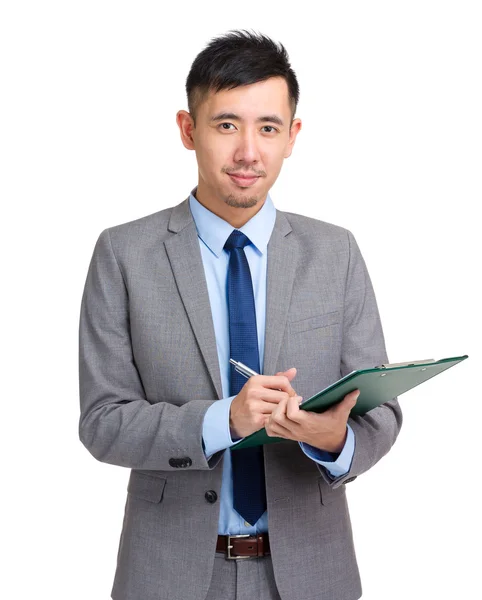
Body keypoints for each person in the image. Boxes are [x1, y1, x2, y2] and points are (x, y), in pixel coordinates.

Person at [78, 29, 403, 600]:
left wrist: (335, 442)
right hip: (168, 576)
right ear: (188, 129)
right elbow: (103, 422)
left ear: (292, 136)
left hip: (313, 575)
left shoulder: (337, 252)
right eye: (227, 124)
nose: (248, 152)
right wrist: (222, 421)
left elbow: (380, 415)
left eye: (268, 128)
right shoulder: (123, 254)